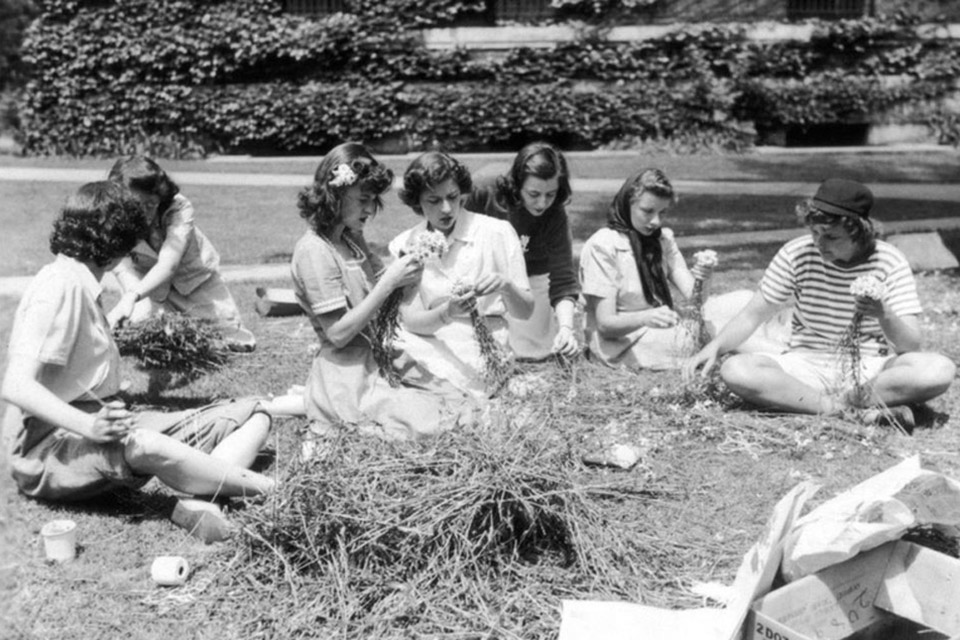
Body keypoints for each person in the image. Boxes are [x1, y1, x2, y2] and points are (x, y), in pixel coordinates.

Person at [1, 182, 274, 522]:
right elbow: (15, 385)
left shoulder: (81, 283)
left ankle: (207, 500)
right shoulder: (60, 285)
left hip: (107, 423)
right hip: (49, 452)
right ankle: (275, 490)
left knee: (253, 413)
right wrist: (88, 426)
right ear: (117, 244)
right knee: (147, 444)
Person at [683, 178, 955, 428]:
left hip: (868, 370)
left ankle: (830, 404)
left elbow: (911, 346)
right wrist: (715, 347)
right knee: (736, 369)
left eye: (831, 237)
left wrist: (884, 314)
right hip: (805, 364)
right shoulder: (797, 253)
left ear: (859, 231)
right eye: (815, 233)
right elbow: (752, 316)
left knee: (938, 370)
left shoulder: (889, 260)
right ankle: (843, 410)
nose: (819, 244)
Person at [290, 142, 472, 441]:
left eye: (373, 200)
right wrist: (390, 282)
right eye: (363, 199)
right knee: (430, 424)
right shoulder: (314, 250)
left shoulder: (351, 240)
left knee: (455, 399)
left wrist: (411, 273)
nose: (370, 210)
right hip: (347, 373)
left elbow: (391, 301)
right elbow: (337, 334)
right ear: (335, 195)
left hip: (379, 358)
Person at [579, 168, 785, 370]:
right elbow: (605, 325)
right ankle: (786, 359)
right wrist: (645, 317)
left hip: (661, 322)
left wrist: (704, 275)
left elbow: (696, 299)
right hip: (624, 342)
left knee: (744, 299)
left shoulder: (662, 239)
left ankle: (775, 345)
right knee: (715, 328)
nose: (656, 221)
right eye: (648, 211)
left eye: (662, 213)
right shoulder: (603, 245)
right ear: (627, 203)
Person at [389, 151, 534, 398]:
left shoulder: (496, 232)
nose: (446, 209)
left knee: (428, 385)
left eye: (453, 197)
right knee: (383, 351)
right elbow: (412, 321)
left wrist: (507, 286)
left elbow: (525, 312)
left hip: (482, 343)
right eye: (433, 201)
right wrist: (449, 311)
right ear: (417, 203)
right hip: (428, 336)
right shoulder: (405, 244)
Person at [106, 156, 256, 351]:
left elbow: (169, 263)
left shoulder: (179, 207)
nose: (146, 212)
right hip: (148, 288)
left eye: (152, 204)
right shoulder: (113, 214)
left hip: (195, 282)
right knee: (140, 333)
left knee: (237, 343)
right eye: (138, 205)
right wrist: (131, 297)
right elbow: (122, 266)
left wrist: (132, 296)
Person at [465, 142, 580, 360]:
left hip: (531, 282)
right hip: (482, 277)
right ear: (517, 184)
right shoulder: (484, 191)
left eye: (551, 194)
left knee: (533, 354)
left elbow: (563, 281)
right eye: (534, 193)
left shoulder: (556, 215)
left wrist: (566, 327)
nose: (542, 203)